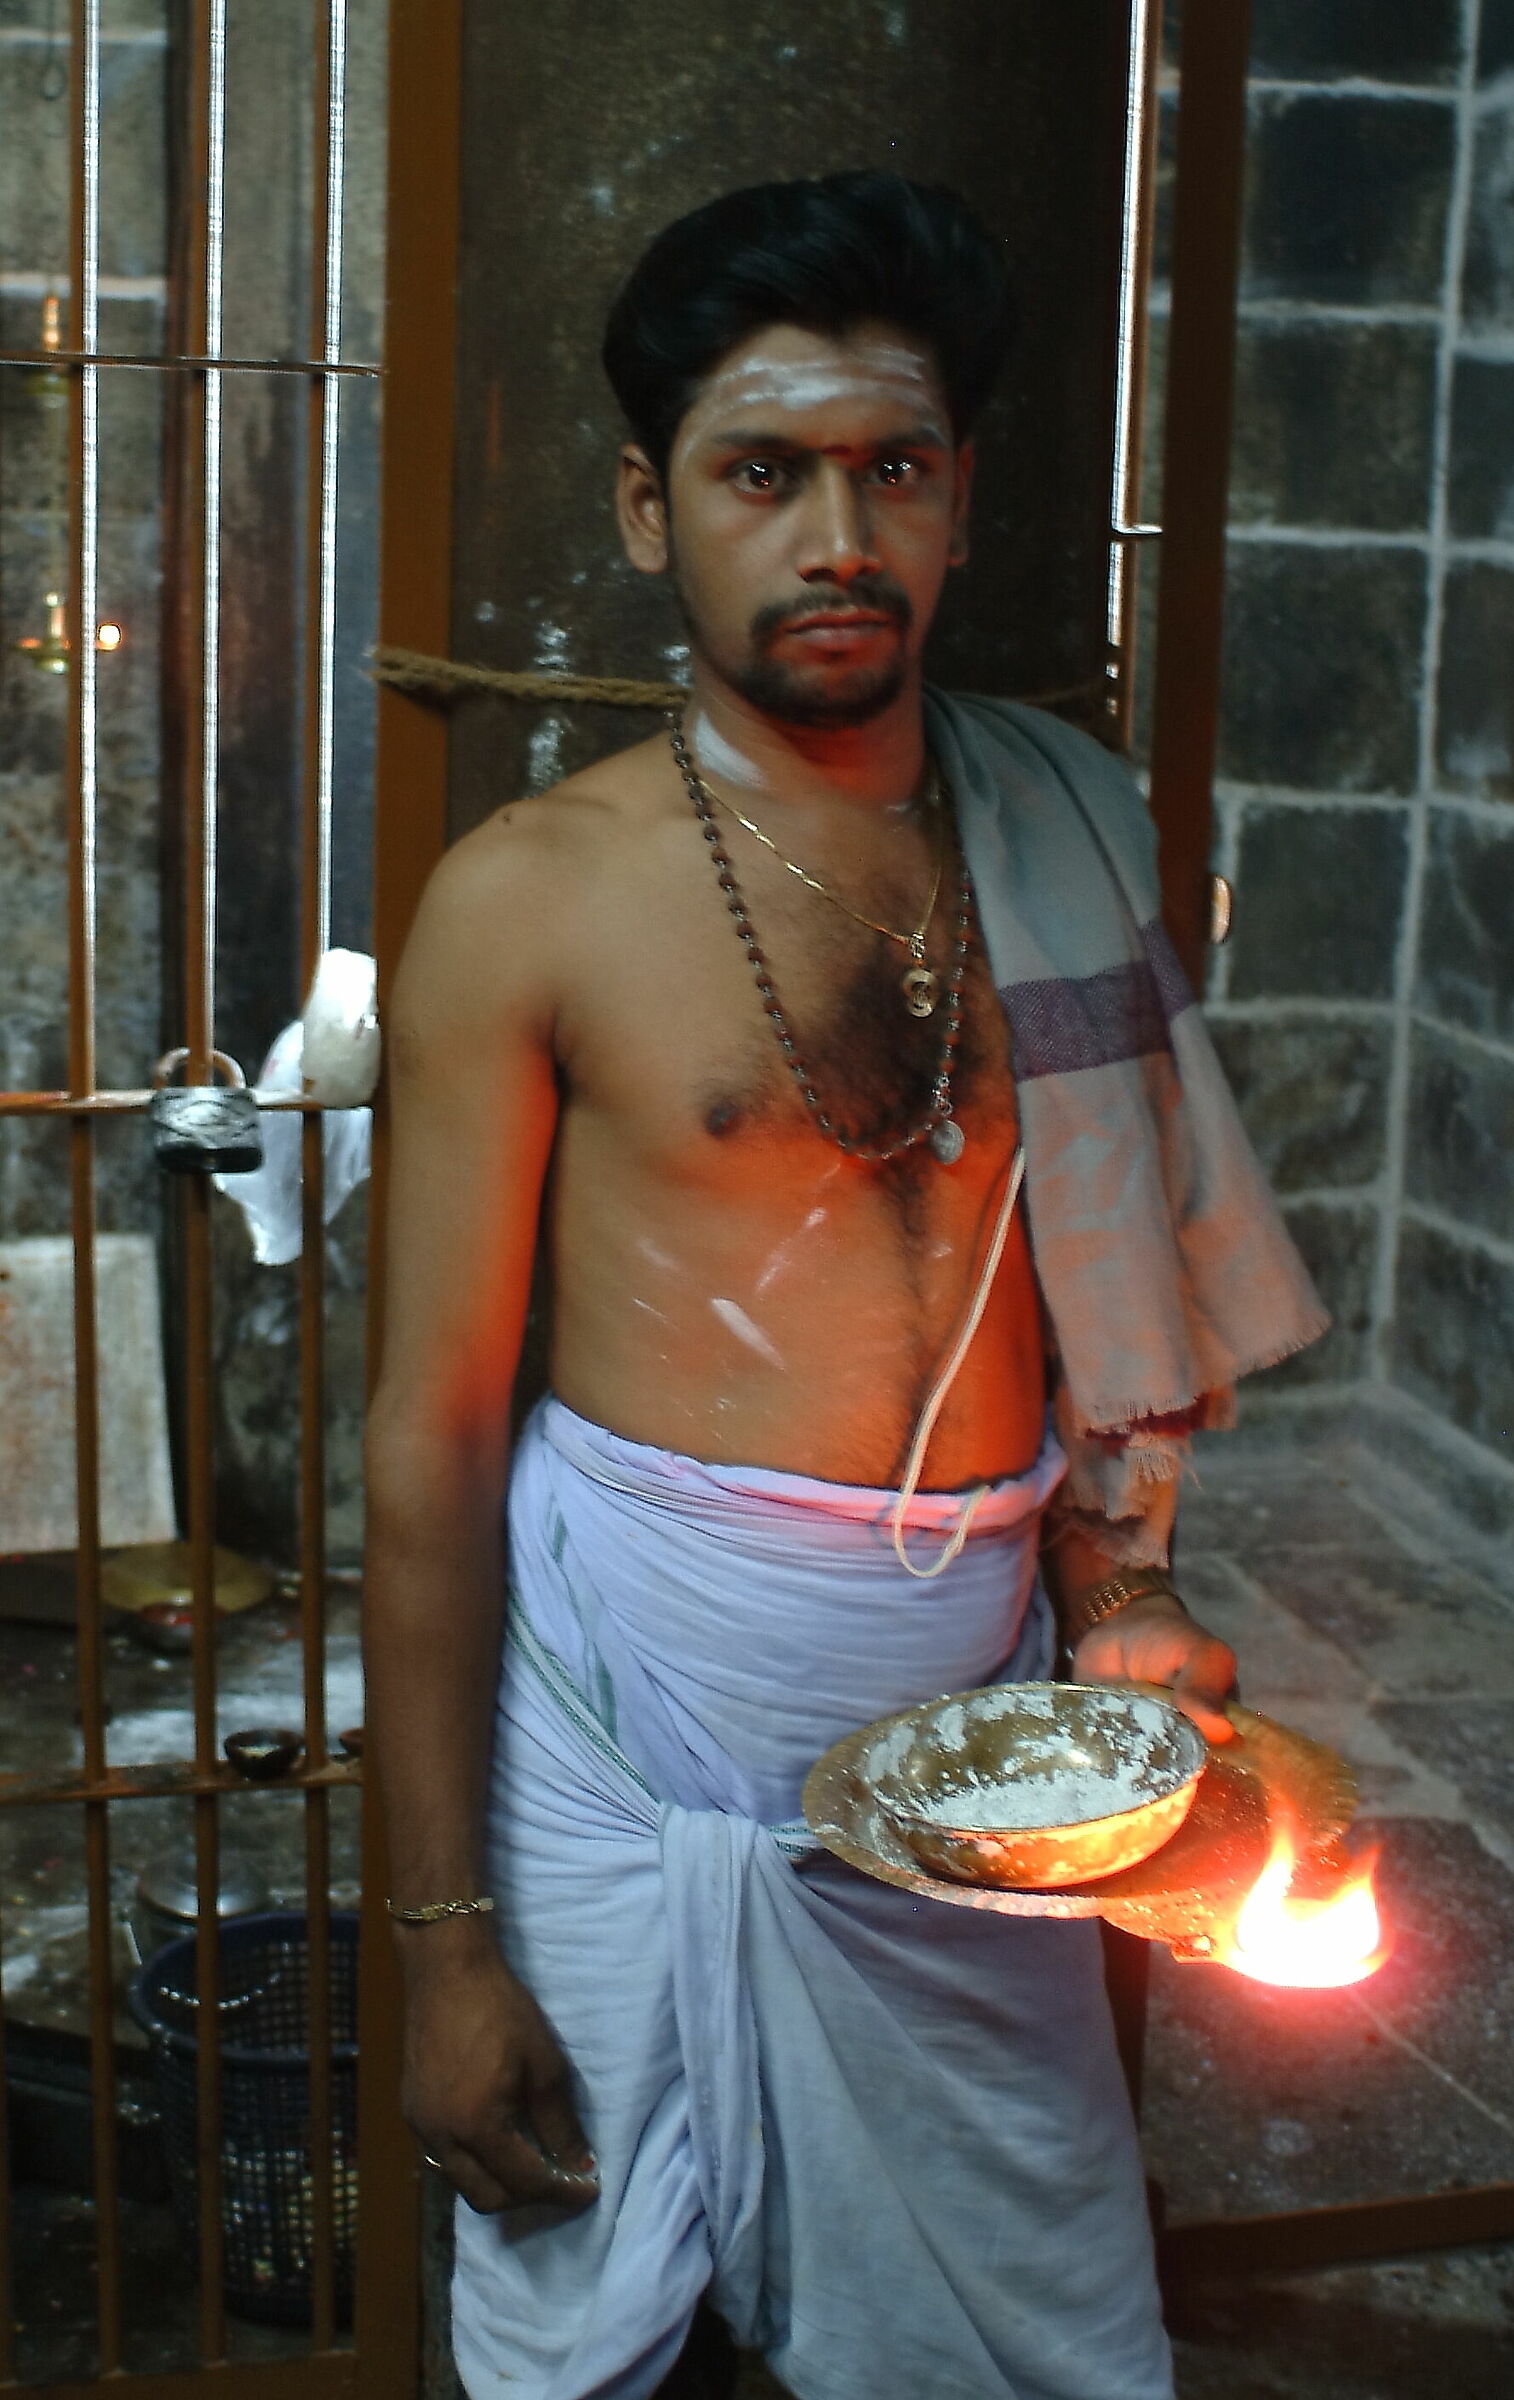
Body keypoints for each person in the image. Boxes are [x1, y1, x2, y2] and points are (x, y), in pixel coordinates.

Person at [364, 172, 1326, 2400]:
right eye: (758, 471)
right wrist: (438, 1952)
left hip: (968, 1718)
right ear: (644, 504)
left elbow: (1090, 1307)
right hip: (622, 1734)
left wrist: (1108, 1594)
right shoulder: (527, 900)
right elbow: (422, 1441)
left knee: (1038, 2321)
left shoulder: (1067, 822)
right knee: (579, 2320)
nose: (833, 536)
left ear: (962, 498)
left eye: (889, 470)